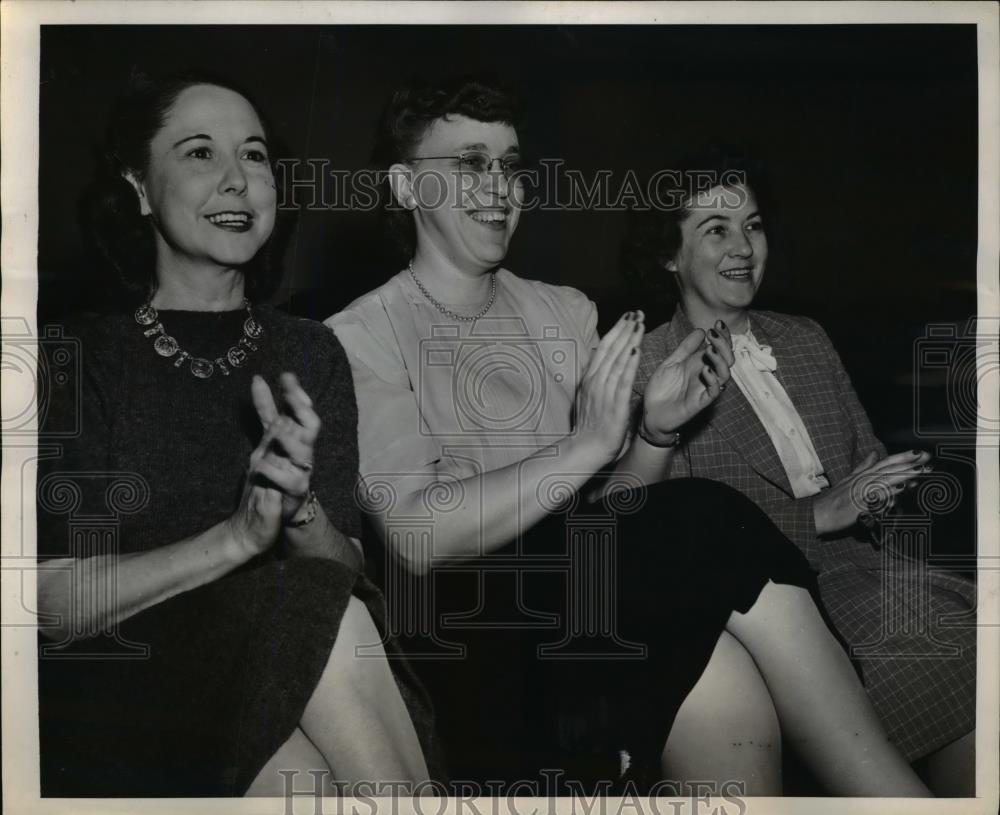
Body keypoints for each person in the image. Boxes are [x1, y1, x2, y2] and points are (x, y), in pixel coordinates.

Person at [327, 76, 931, 796]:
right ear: (405, 187)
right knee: (705, 521)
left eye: (511, 165)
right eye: (469, 164)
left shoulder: (564, 312)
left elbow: (616, 513)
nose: (499, 187)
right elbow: (415, 534)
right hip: (470, 633)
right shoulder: (356, 336)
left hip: (589, 601)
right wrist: (586, 443)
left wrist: (653, 431)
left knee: (720, 663)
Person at [35, 72, 436, 796]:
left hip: (304, 665)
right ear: (138, 186)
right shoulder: (79, 358)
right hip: (132, 690)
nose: (236, 180)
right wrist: (238, 538)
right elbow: (55, 606)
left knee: (315, 610)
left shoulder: (311, 351)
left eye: (253, 156)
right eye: (199, 154)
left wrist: (298, 506)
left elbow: (346, 568)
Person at [620, 153, 976, 795]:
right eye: (716, 229)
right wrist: (822, 512)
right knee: (958, 653)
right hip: (775, 609)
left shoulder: (806, 338)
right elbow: (670, 538)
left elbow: (863, 466)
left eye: (752, 226)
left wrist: (886, 488)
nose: (743, 248)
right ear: (668, 257)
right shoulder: (649, 367)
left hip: (878, 574)